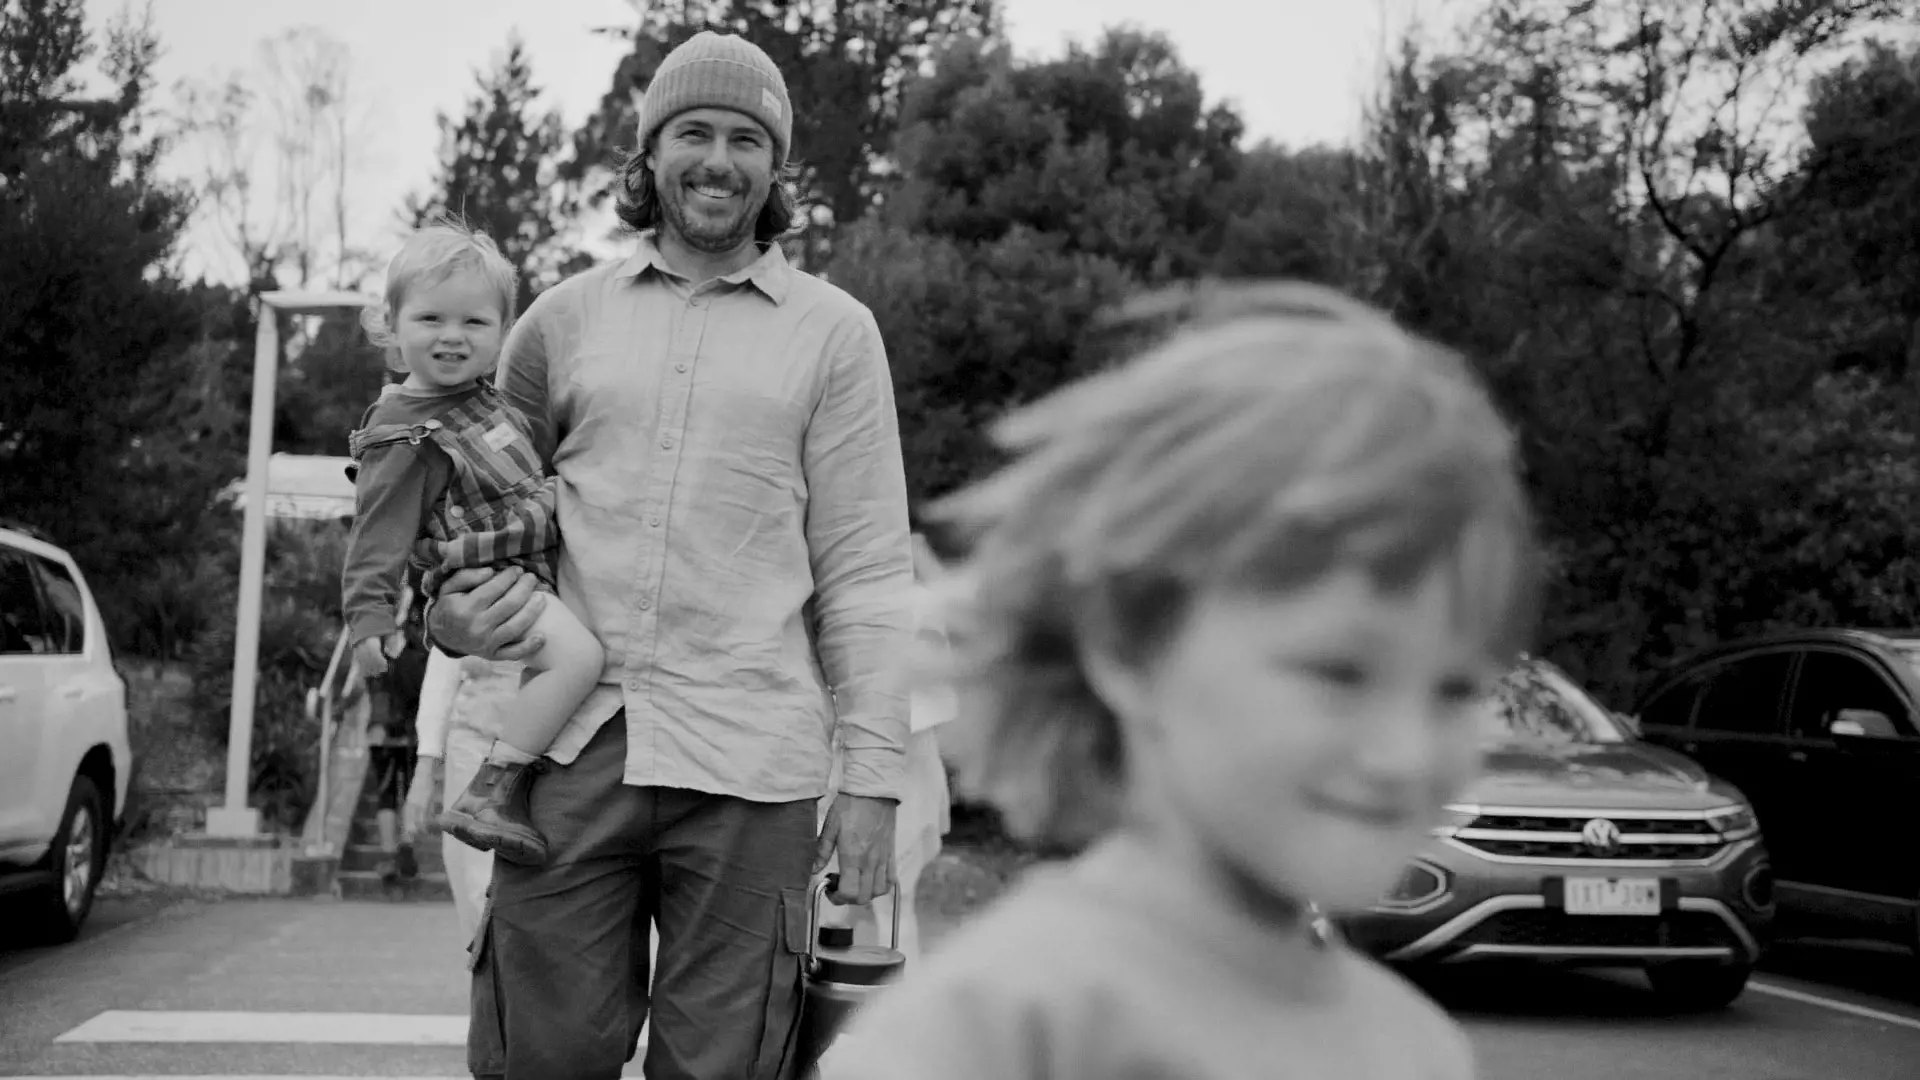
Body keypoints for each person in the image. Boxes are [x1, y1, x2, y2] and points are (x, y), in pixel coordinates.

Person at [818, 280, 1542, 1080]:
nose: (1404, 751)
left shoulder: (1417, 1049)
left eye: (1456, 690)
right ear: (1130, 648)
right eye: (1339, 673)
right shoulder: (995, 1026)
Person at [422, 30, 914, 1080]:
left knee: (723, 1070)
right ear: (648, 154)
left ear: (777, 169)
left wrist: (873, 778)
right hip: (566, 757)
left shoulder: (835, 335)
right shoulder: (559, 323)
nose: (719, 160)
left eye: (748, 139)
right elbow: (471, 516)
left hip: (753, 759)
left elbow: (868, 570)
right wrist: (447, 617)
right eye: (693, 131)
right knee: (540, 1060)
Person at [341, 220, 605, 868]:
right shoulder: (406, 433)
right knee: (579, 661)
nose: (452, 336)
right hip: (491, 578)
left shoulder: (485, 402)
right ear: (393, 331)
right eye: (430, 318)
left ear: (500, 335)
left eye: (474, 323)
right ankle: (495, 787)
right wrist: (368, 621)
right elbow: (378, 531)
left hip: (524, 567)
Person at [816, 525, 956, 963]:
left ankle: (890, 989)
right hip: (834, 769)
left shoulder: (914, 606)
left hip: (899, 773)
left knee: (892, 900)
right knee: (827, 899)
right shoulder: (830, 599)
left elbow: (924, 703)